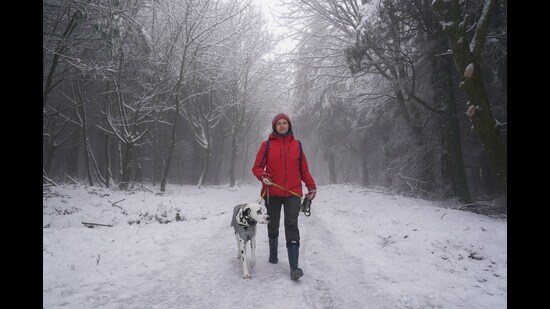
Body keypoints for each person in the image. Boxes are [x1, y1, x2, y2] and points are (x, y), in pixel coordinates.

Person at [252, 112, 317, 280]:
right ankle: (273, 255)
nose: (282, 125)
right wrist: (263, 176)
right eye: (279, 123)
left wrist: (311, 187)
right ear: (275, 127)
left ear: (289, 126)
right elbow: (257, 167)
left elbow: (303, 170)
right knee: (272, 224)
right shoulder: (266, 145)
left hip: (293, 193)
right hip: (272, 191)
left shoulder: (297, 145)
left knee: (291, 223)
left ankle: (294, 267)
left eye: (285, 123)